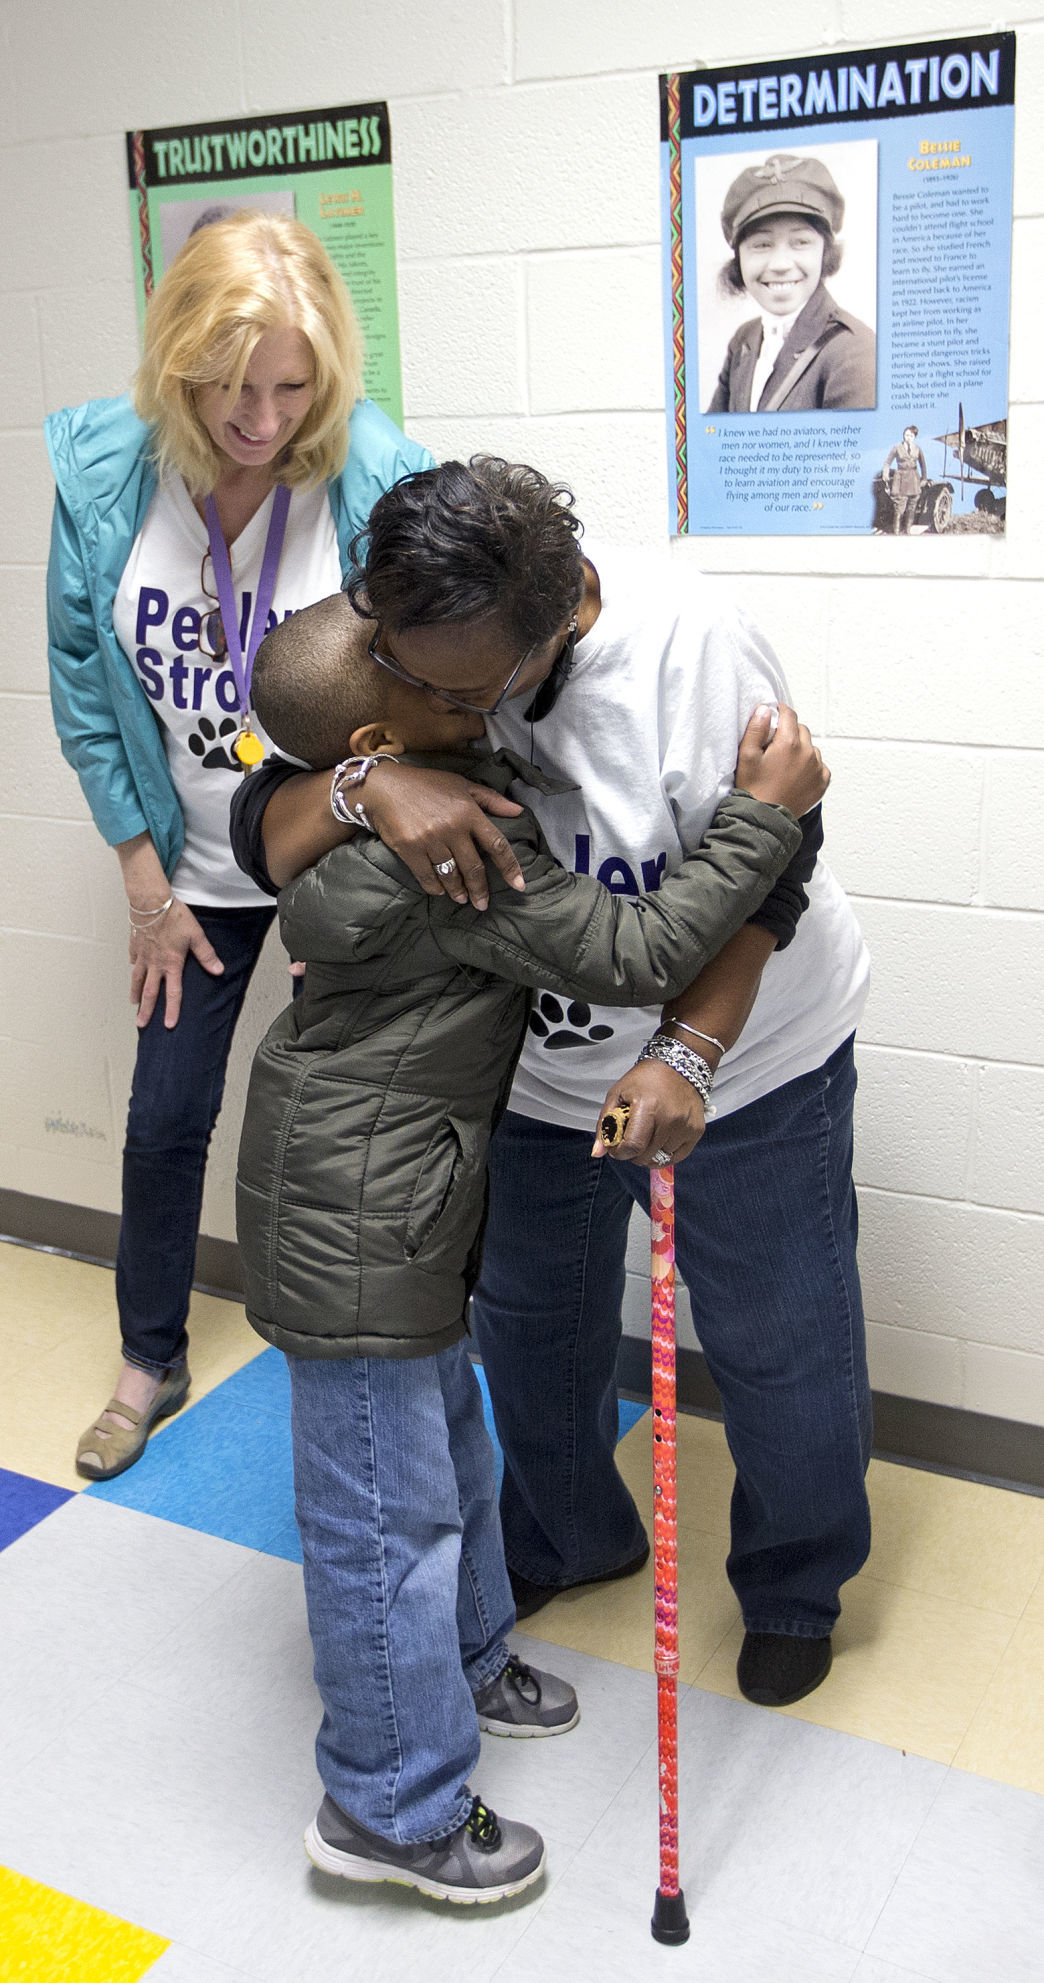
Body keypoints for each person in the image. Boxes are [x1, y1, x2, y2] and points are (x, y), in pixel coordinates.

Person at [230, 455, 872, 1716]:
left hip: (746, 1060)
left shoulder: (691, 648)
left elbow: (777, 858)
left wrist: (686, 1052)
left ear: (552, 617)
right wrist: (370, 782)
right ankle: (573, 1536)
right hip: (529, 1075)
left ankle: (798, 1584)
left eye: (460, 693)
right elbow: (267, 809)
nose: (428, 700)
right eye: (399, 672)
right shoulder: (408, 621)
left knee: (780, 1342)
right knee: (528, 1329)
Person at [44, 211, 438, 1480]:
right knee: (166, 1118)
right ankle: (147, 1360)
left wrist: (369, 867)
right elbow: (82, 683)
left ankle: (390, 1367)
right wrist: (143, 884)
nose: (260, 418)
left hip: (328, 843)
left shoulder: (371, 472)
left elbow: (431, 677)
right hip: (190, 866)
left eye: (290, 383)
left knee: (352, 1125)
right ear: (176, 360)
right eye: (227, 384)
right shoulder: (107, 474)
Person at [706, 152, 876, 413]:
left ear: (824, 251)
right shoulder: (744, 340)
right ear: (739, 257)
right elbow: (711, 447)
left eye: (801, 242)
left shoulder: (853, 351)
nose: (780, 264)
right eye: (761, 245)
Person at [882, 425, 927, 533]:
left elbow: (923, 464)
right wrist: (885, 472)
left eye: (911, 435)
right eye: (906, 435)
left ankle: (908, 531)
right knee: (899, 508)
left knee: (912, 507)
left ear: (914, 437)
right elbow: (887, 462)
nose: (908, 437)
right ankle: (896, 533)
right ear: (903, 435)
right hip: (900, 479)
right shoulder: (897, 447)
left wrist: (924, 478)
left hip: (914, 479)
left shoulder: (917, 449)